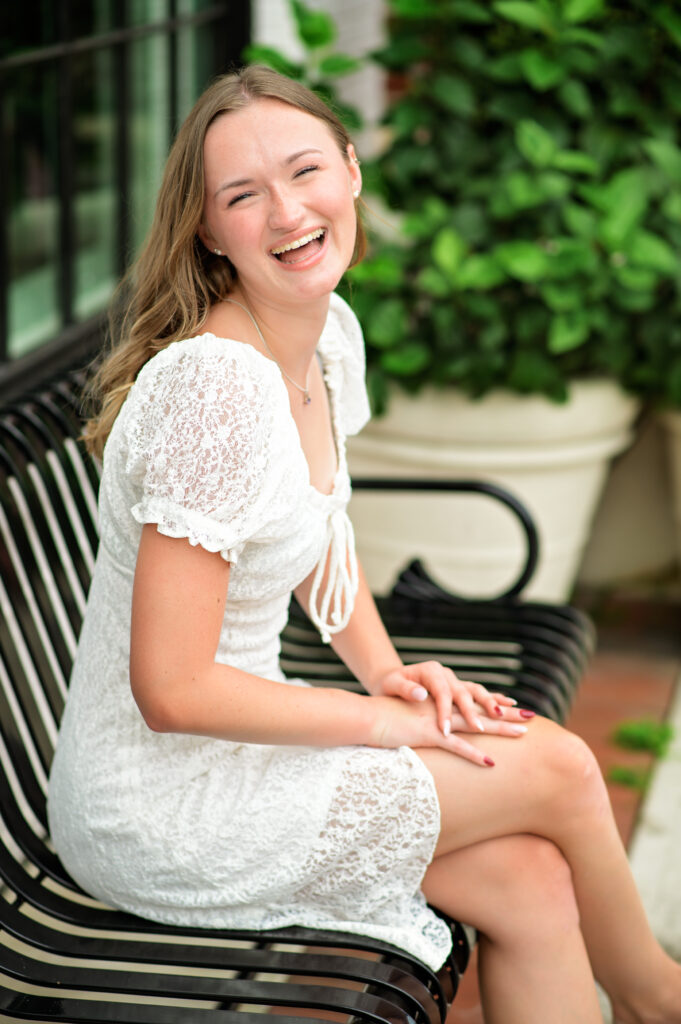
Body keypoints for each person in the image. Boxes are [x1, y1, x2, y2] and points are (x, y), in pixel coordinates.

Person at [47, 65, 680, 1024]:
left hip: (248, 743)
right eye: (242, 195)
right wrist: (384, 723)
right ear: (210, 232)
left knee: (533, 884)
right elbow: (171, 691)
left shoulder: (323, 334)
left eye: (305, 171)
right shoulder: (214, 390)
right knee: (558, 767)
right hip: (164, 803)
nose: (287, 210)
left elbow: (315, 527)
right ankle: (654, 996)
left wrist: (384, 672)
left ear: (350, 171)